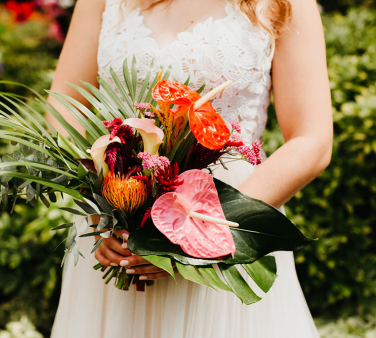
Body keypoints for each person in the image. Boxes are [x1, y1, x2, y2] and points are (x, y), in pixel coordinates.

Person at [48, 0, 332, 337]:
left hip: (224, 218)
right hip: (116, 224)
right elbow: (63, 113)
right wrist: (100, 209)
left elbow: (311, 141)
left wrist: (200, 234)